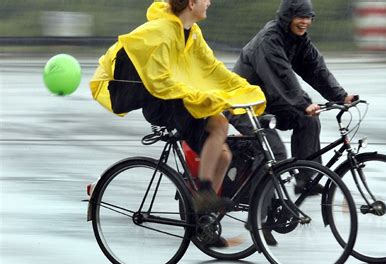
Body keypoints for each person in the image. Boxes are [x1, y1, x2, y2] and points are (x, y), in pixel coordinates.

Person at [89, 0, 266, 215]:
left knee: (224, 156)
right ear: (191, 3)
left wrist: (245, 89)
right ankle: (203, 197)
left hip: (176, 100)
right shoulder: (161, 32)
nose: (209, 2)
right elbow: (159, 81)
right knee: (220, 123)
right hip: (159, 103)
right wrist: (198, 95)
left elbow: (212, 69)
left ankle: (205, 218)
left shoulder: (192, 32)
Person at [229, 0, 357, 195]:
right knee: (274, 150)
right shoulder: (269, 40)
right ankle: (259, 210)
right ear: (287, 17)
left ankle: (305, 180)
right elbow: (281, 75)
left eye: (309, 17)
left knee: (308, 121)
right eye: (300, 17)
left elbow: (316, 69)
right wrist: (304, 103)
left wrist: (341, 96)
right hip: (243, 105)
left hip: (269, 102)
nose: (305, 22)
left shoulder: (298, 40)